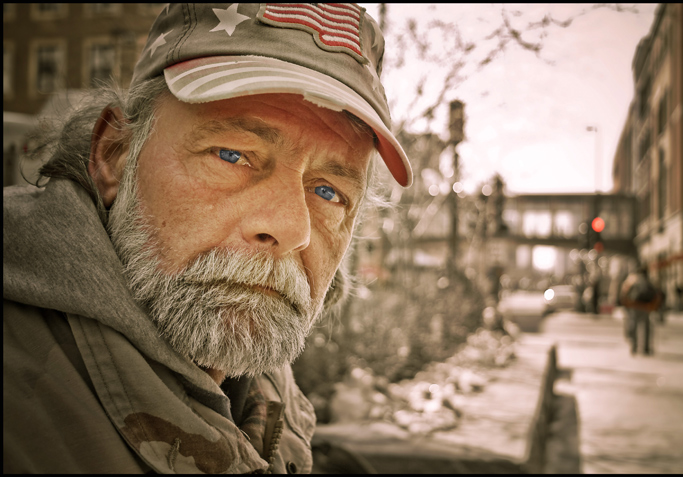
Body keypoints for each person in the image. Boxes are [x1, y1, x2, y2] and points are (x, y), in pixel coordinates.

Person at [3, 4, 412, 474]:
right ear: (114, 153)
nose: (291, 229)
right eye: (233, 155)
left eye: (328, 192)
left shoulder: (268, 402)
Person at [619, 265, 661, 356]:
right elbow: (656, 295)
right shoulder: (649, 282)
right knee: (646, 328)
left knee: (634, 326)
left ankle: (634, 347)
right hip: (645, 307)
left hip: (634, 307)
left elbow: (624, 294)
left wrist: (626, 305)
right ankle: (646, 348)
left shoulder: (632, 281)